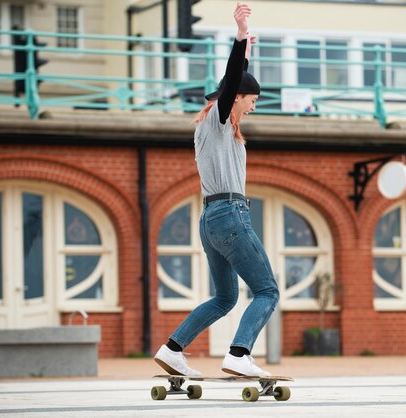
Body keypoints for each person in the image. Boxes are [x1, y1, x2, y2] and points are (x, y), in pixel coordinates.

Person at [154, 3, 279, 377]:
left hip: (210, 218)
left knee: (225, 298)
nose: (253, 108)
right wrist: (240, 37)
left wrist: (247, 48)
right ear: (236, 97)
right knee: (267, 291)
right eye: (252, 101)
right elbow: (232, 79)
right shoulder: (218, 121)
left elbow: (237, 78)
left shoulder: (213, 129)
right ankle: (240, 354)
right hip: (230, 216)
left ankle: (173, 349)